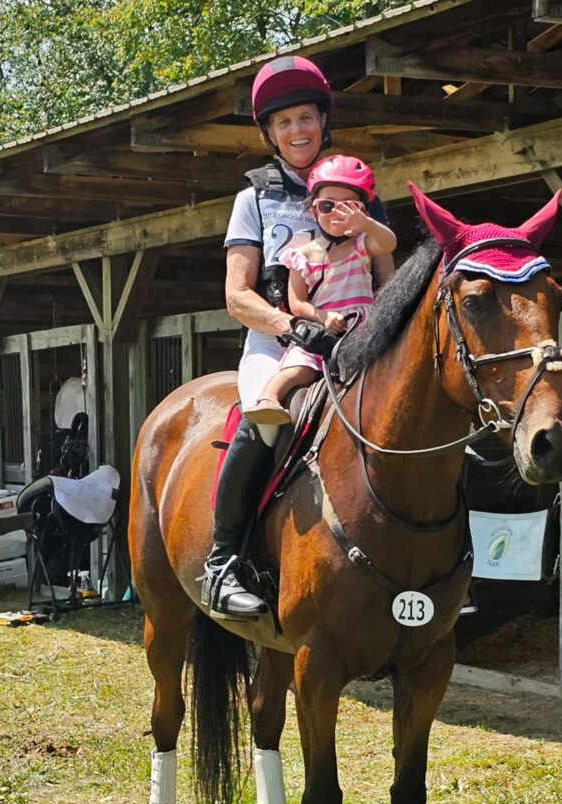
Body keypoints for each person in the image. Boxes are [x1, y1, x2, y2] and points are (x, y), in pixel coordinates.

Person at [201, 56, 394, 620]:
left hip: (358, 333)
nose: (296, 131)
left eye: (305, 117)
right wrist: (294, 326)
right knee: (266, 421)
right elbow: (237, 296)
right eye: (283, 123)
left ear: (322, 120)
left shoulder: (360, 189)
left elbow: (387, 279)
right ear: (269, 133)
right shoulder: (252, 200)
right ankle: (222, 562)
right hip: (279, 338)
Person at [242, 155, 396, 425]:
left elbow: (388, 242)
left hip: (363, 328)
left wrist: (366, 225)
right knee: (300, 367)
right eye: (327, 206)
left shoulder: (363, 244)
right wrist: (323, 318)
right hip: (322, 331)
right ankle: (268, 398)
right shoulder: (302, 255)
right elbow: (297, 303)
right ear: (314, 211)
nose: (337, 214)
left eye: (350, 207)